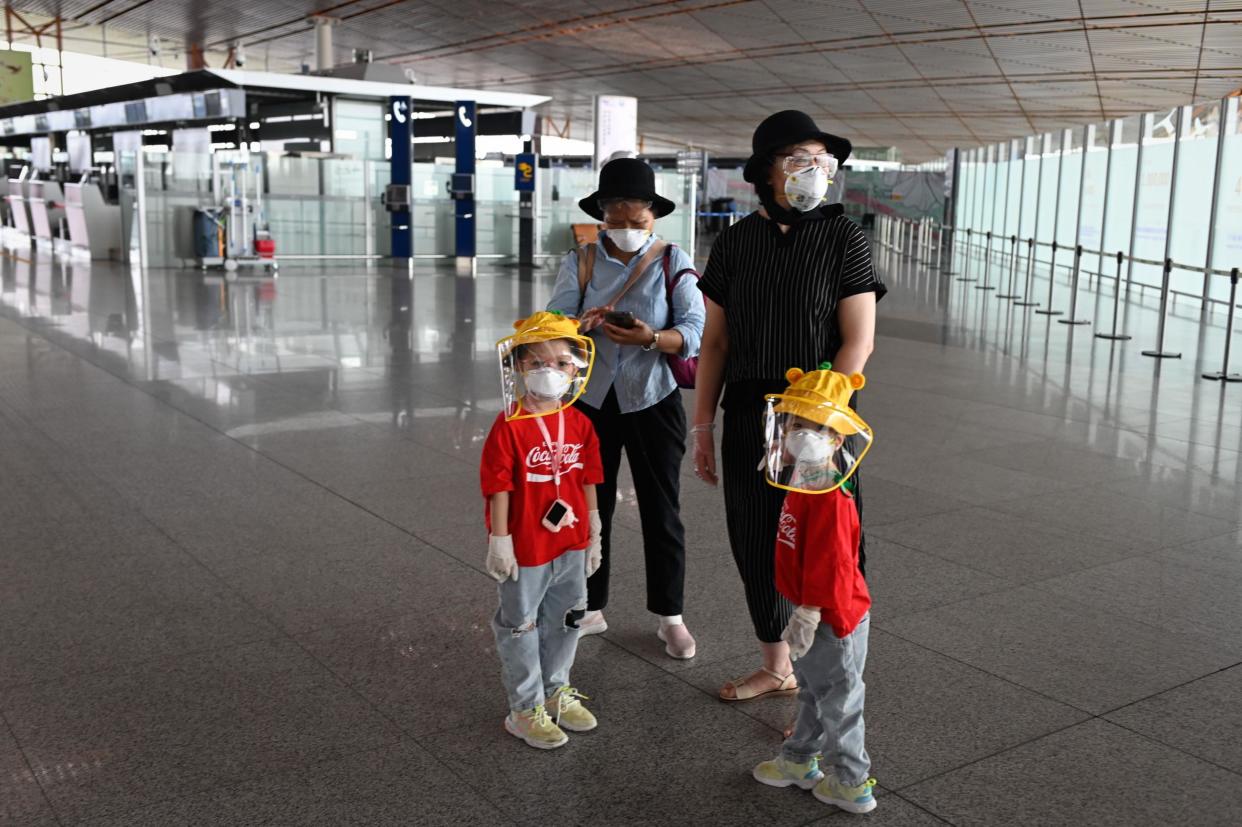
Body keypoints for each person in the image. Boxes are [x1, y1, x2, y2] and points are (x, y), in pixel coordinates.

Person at [693, 110, 884, 701]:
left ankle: (835, 663)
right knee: (754, 535)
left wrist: (820, 414)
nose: (815, 170)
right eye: (801, 158)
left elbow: (860, 339)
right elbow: (716, 341)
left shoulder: (843, 236)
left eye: (823, 161)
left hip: (820, 418)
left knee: (827, 539)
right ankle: (777, 664)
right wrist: (702, 423)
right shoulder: (734, 242)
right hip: (750, 410)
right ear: (768, 170)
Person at [547, 158, 705, 660]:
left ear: (653, 218)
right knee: (593, 508)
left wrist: (651, 337)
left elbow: (696, 332)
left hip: (653, 398)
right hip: (591, 401)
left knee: (662, 510)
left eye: (638, 221)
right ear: (602, 216)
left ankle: (670, 616)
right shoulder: (581, 262)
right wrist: (579, 323)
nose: (629, 228)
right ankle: (591, 605)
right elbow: (553, 325)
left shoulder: (673, 262)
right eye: (618, 219)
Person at [750, 364, 877, 814]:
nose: (801, 434)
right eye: (795, 425)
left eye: (815, 428)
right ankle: (800, 759)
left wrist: (808, 611)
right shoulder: (803, 483)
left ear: (838, 439)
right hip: (811, 609)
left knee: (840, 699)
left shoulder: (831, 499)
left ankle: (852, 781)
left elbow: (837, 566)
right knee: (811, 688)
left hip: (833, 616)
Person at [481, 311, 605, 750]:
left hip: (570, 541)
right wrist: (500, 539)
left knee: (568, 618)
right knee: (521, 623)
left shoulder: (580, 423)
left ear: (576, 369)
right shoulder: (509, 426)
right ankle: (524, 706)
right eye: (536, 363)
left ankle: (556, 689)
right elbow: (498, 486)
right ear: (517, 367)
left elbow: (588, 477)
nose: (548, 372)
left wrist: (594, 527)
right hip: (527, 546)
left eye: (560, 363)